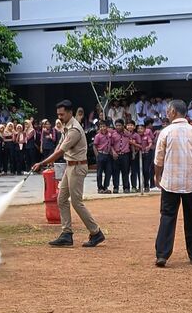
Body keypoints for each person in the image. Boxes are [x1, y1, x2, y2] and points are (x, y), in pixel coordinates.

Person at [32, 100, 105, 248]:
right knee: (61, 199)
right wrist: (48, 161)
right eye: (58, 114)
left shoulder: (74, 130)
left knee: (77, 202)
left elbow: (60, 151)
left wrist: (42, 163)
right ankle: (66, 234)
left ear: (70, 112)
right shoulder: (66, 126)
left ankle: (96, 232)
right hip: (70, 166)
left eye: (62, 114)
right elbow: (59, 146)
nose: (59, 117)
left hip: (77, 167)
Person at [153, 100, 192, 267]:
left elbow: (158, 159)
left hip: (170, 182)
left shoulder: (166, 132)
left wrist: (157, 176)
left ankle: (162, 254)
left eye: (168, 111)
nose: (167, 113)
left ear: (173, 112)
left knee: (168, 216)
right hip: (190, 182)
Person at [92, 120, 114, 194]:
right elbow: (94, 146)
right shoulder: (98, 136)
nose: (102, 128)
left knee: (108, 172)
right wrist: (97, 155)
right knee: (99, 172)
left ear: (107, 127)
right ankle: (100, 187)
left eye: (104, 126)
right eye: (101, 127)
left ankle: (105, 187)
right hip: (101, 154)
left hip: (108, 155)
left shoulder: (110, 135)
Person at [111, 119, 131, 193]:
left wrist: (125, 131)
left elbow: (131, 136)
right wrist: (113, 152)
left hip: (125, 155)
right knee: (115, 172)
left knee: (125, 172)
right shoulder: (113, 134)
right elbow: (111, 145)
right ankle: (115, 187)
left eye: (119, 125)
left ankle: (126, 187)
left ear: (123, 126)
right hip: (116, 155)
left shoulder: (127, 133)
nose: (118, 127)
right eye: (116, 125)